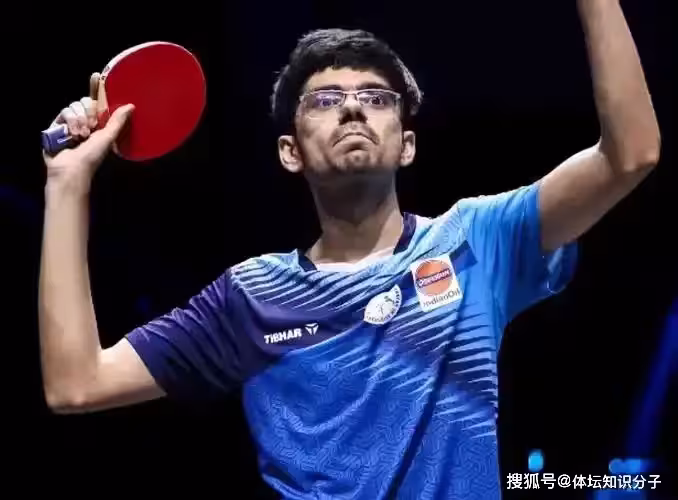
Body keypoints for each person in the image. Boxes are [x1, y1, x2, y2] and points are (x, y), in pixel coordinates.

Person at [39, 1, 660, 498]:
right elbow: (77, 383)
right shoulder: (250, 295)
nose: (354, 108)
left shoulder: (476, 241)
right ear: (291, 152)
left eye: (377, 97)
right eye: (325, 101)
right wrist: (67, 184)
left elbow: (631, 155)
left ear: (406, 144)